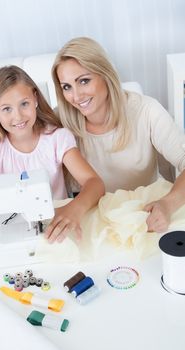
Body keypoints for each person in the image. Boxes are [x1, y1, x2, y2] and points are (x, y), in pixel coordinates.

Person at [0, 65, 105, 242]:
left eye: (24, 104)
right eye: (6, 109)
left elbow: (94, 183)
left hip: (56, 231)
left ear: (35, 99)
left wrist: (73, 209)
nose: (18, 117)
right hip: (12, 234)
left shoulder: (58, 139)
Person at [51, 36, 185, 233]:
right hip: (93, 220)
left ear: (105, 75)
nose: (76, 96)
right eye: (67, 87)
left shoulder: (147, 111)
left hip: (144, 216)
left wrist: (168, 204)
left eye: (84, 81)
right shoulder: (58, 121)